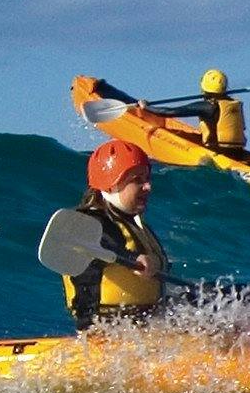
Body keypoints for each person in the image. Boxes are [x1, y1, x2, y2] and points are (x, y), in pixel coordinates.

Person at [63, 140, 172, 330]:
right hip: (103, 331)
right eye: (137, 180)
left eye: (147, 178)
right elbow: (96, 242)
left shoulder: (137, 226)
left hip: (146, 327)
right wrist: (132, 258)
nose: (148, 186)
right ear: (110, 184)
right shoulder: (88, 223)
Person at [153, 66, 250, 155]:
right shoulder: (234, 104)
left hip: (217, 151)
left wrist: (147, 108)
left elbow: (170, 112)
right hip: (238, 152)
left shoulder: (207, 106)